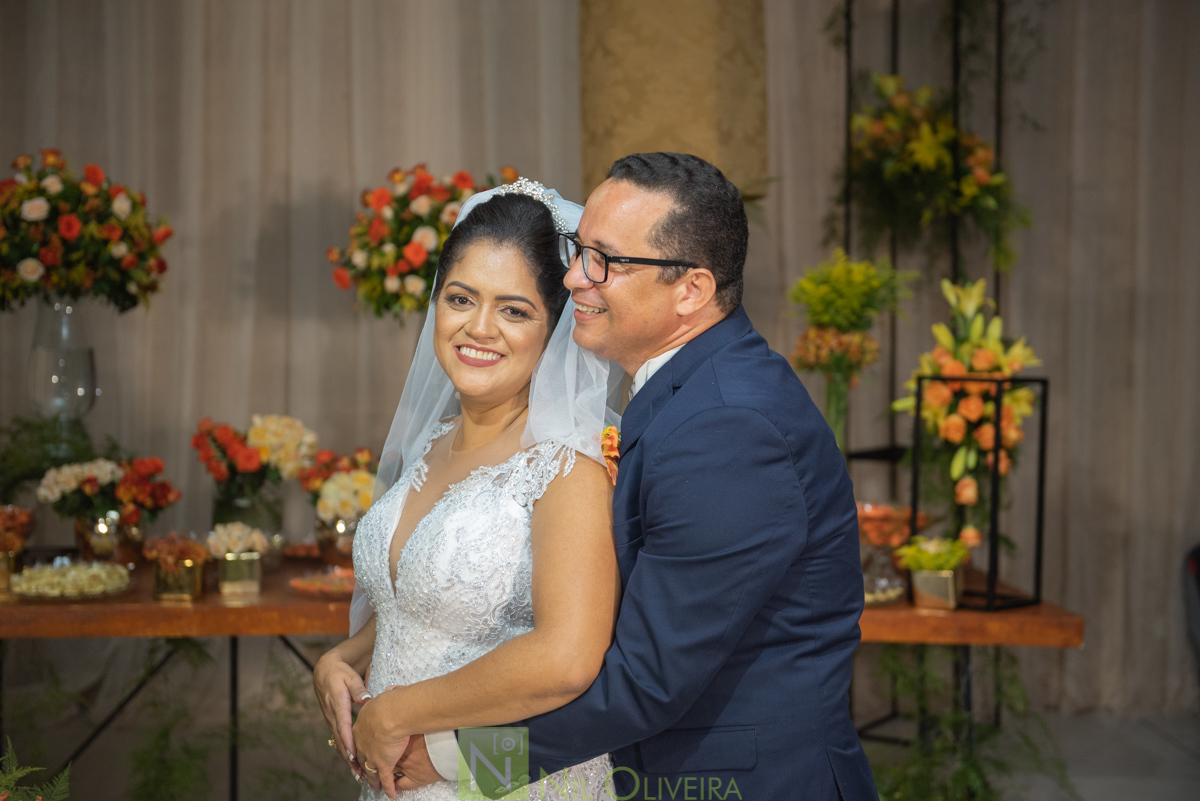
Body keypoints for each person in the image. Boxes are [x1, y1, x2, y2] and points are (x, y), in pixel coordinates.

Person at [393, 153, 878, 800]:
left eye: (605, 261)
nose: (573, 277)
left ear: (691, 290)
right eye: (578, 249)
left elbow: (648, 681)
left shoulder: (729, 426)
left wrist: (457, 758)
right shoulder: (692, 391)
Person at [313, 180, 625, 800]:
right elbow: (422, 601)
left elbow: (567, 660)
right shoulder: (434, 438)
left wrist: (400, 716)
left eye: (514, 310)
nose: (479, 328)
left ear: (554, 328)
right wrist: (343, 657)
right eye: (461, 298)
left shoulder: (568, 468)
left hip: (491, 777)